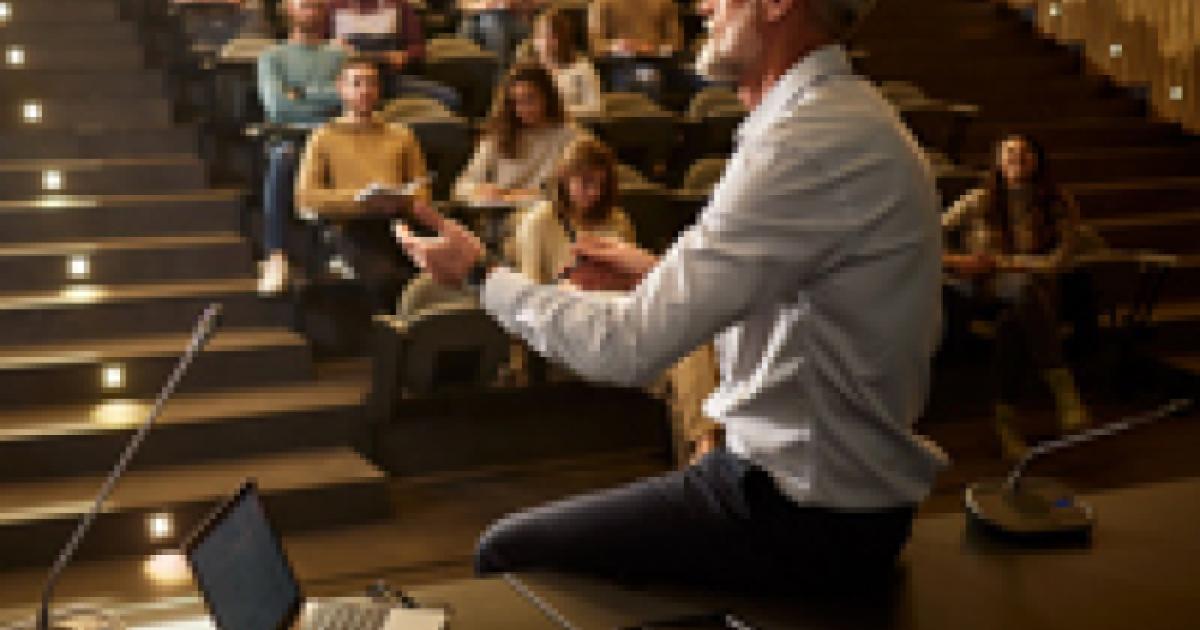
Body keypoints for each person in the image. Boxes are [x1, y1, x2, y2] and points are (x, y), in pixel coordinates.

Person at [398, 0, 947, 589]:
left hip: (802, 513)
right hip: (838, 498)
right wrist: (657, 273)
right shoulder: (845, 120)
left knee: (506, 552)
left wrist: (481, 274)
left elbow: (628, 345)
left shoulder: (806, 142)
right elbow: (808, 294)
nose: (702, 7)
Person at [514, 137, 722, 463]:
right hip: (573, 331)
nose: (593, 193)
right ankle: (704, 454)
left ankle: (700, 454)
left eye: (600, 184)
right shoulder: (538, 223)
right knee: (687, 359)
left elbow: (636, 285)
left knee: (689, 348)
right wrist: (566, 289)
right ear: (564, 179)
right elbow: (526, 300)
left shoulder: (617, 219)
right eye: (585, 183)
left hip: (626, 320)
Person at [942, 133, 1089, 461]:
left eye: (1025, 153)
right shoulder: (978, 200)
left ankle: (1005, 424)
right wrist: (957, 261)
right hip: (986, 290)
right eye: (1009, 152)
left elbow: (1060, 259)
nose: (1017, 158)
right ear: (997, 160)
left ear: (1037, 161)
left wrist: (1006, 264)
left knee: (1014, 321)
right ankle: (1063, 388)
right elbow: (930, 234)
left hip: (1040, 292)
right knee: (1020, 291)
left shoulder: (1058, 202)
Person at [295, 56, 430, 312]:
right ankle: (395, 342)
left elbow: (421, 188)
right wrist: (362, 201)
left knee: (439, 272)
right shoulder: (323, 137)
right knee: (387, 279)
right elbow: (307, 197)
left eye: (371, 84)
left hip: (400, 222)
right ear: (341, 88)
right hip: (352, 226)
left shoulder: (402, 135)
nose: (365, 91)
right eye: (357, 84)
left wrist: (403, 202)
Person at [256, 0, 346, 294]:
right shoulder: (272, 57)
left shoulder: (339, 55)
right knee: (284, 157)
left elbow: (348, 100)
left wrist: (303, 93)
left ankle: (339, 251)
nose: (313, 10)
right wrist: (326, 97)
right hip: (290, 137)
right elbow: (278, 107)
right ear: (287, 9)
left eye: (318, 6)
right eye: (305, 5)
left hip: (334, 137)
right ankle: (276, 256)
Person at [452, 63, 583, 204]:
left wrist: (523, 195)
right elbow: (460, 188)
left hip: (548, 212)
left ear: (547, 98)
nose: (523, 109)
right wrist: (478, 190)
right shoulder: (499, 136)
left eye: (530, 99)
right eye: (517, 102)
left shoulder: (571, 137)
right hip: (503, 213)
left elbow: (576, 189)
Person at [326, 0, 462, 110]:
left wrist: (405, 55)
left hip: (388, 79)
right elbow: (315, 43)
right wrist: (330, 45)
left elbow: (418, 47)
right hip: (348, 83)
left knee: (449, 98)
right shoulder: (333, 6)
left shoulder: (399, 6)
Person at [526, 8, 603, 117]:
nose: (545, 42)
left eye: (551, 37)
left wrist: (560, 112)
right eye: (540, 36)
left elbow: (595, 107)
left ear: (562, 38)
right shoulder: (527, 71)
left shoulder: (581, 68)